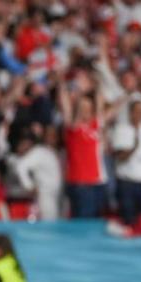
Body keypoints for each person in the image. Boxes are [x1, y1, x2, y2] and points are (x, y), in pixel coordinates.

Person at [58, 84, 108, 219]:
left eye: (88, 109)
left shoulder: (94, 127)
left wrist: (96, 82)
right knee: (82, 223)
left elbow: (100, 105)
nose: (85, 111)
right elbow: (65, 106)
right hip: (80, 184)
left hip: (95, 183)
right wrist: (62, 85)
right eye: (82, 108)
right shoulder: (72, 128)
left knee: (93, 222)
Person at [111, 99, 141, 234]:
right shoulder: (122, 129)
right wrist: (134, 147)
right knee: (128, 221)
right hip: (127, 183)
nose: (140, 114)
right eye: (137, 111)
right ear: (130, 113)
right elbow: (119, 156)